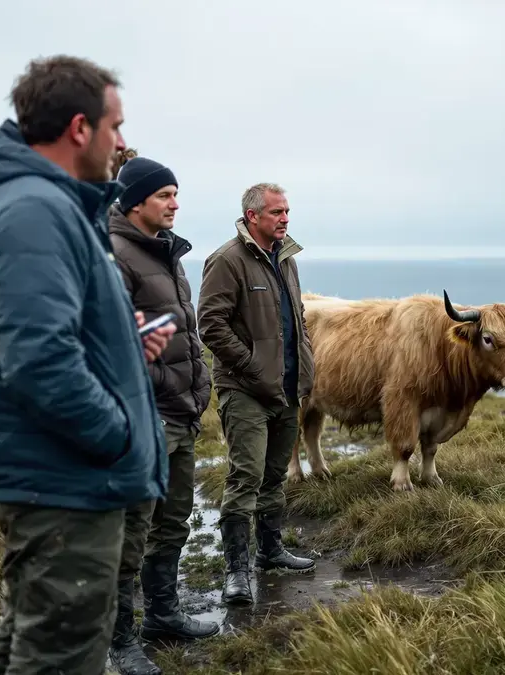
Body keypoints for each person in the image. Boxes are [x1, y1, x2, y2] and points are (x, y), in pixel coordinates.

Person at [0, 55, 175, 675]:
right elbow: (39, 360)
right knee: (60, 656)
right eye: (116, 126)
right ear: (80, 128)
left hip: (64, 474)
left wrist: (120, 340)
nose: (122, 143)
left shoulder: (51, 206)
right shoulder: (31, 212)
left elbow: (54, 332)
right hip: (63, 479)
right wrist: (117, 435)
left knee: (27, 643)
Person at [104, 151, 219, 674]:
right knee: (131, 532)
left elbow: (185, 334)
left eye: (175, 194)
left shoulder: (169, 255)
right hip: (142, 418)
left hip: (181, 412)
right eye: (164, 195)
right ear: (134, 203)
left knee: (172, 523)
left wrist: (199, 386)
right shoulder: (113, 255)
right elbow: (115, 346)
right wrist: (169, 386)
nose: (176, 203)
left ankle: (163, 615)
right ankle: (121, 639)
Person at [197, 183, 316, 605]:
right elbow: (210, 324)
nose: (285, 218)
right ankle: (234, 571)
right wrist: (250, 366)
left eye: (287, 211)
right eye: (277, 213)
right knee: (244, 476)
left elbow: (295, 318)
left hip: (286, 387)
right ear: (253, 216)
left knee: (273, 474)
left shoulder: (286, 259)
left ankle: (270, 551)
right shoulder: (228, 260)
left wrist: (305, 364)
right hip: (245, 389)